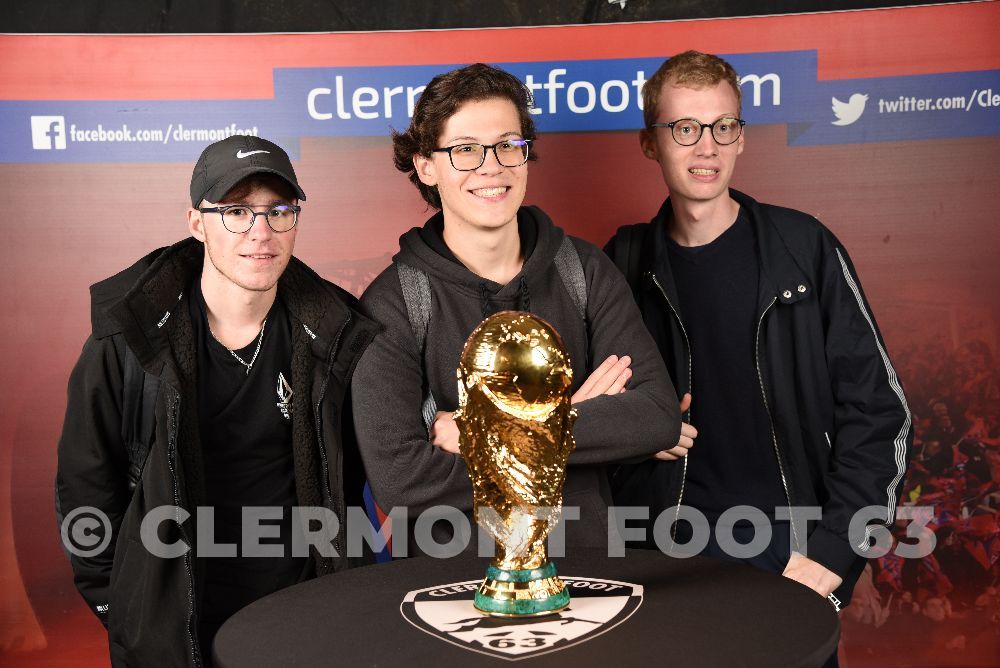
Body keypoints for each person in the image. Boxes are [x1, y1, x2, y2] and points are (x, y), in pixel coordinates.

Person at [605, 51, 913, 613]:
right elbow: (575, 418)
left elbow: (881, 412)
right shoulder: (622, 265)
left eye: (724, 127)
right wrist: (639, 430)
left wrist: (834, 551)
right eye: (685, 128)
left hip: (790, 561)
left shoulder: (803, 250)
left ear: (742, 137)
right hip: (658, 565)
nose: (708, 147)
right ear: (650, 142)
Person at [55, 135, 378, 666]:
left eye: (279, 211)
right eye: (236, 211)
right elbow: (84, 484)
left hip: (304, 613)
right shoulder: (129, 337)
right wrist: (122, 605)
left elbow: (363, 474)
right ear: (196, 222)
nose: (261, 232)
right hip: (176, 621)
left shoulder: (337, 330)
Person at [352, 63, 681, 554]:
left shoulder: (583, 270)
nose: (492, 166)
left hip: (587, 570)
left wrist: (478, 432)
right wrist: (579, 418)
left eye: (508, 144)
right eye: (465, 150)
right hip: (452, 588)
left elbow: (656, 417)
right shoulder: (394, 303)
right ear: (425, 166)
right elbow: (400, 480)